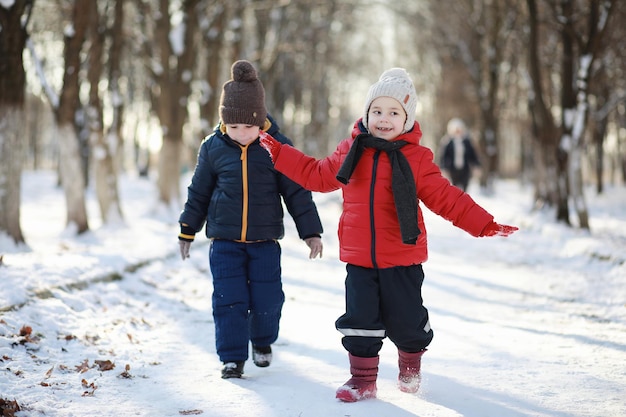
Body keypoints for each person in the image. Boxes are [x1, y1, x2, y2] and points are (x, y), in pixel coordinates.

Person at [259, 68, 517, 402]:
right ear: (366, 114)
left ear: (407, 119)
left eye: (394, 112)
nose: (384, 119)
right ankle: (362, 379)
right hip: (359, 256)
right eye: (377, 111)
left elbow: (446, 197)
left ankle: (410, 365)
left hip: (402, 257)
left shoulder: (416, 158)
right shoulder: (353, 149)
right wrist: (279, 152)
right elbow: (318, 175)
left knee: (408, 322)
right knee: (359, 320)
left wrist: (483, 223)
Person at [178, 60, 324, 379]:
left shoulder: (278, 148)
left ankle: (262, 341)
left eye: (248, 127)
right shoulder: (212, 148)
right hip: (225, 242)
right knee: (228, 300)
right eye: (233, 127)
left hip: (265, 242)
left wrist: (310, 231)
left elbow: (296, 192)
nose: (241, 134)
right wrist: (187, 230)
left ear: (260, 121)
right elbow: (199, 191)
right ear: (223, 122)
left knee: (267, 299)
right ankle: (232, 358)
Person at [440, 117, 481, 192]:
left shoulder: (467, 142)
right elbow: (444, 157)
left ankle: (464, 203)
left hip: (465, 170)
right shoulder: (448, 143)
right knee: (455, 190)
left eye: (459, 129)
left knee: (465, 190)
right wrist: (444, 168)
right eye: (456, 130)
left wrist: (476, 165)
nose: (458, 132)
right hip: (453, 170)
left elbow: (472, 155)